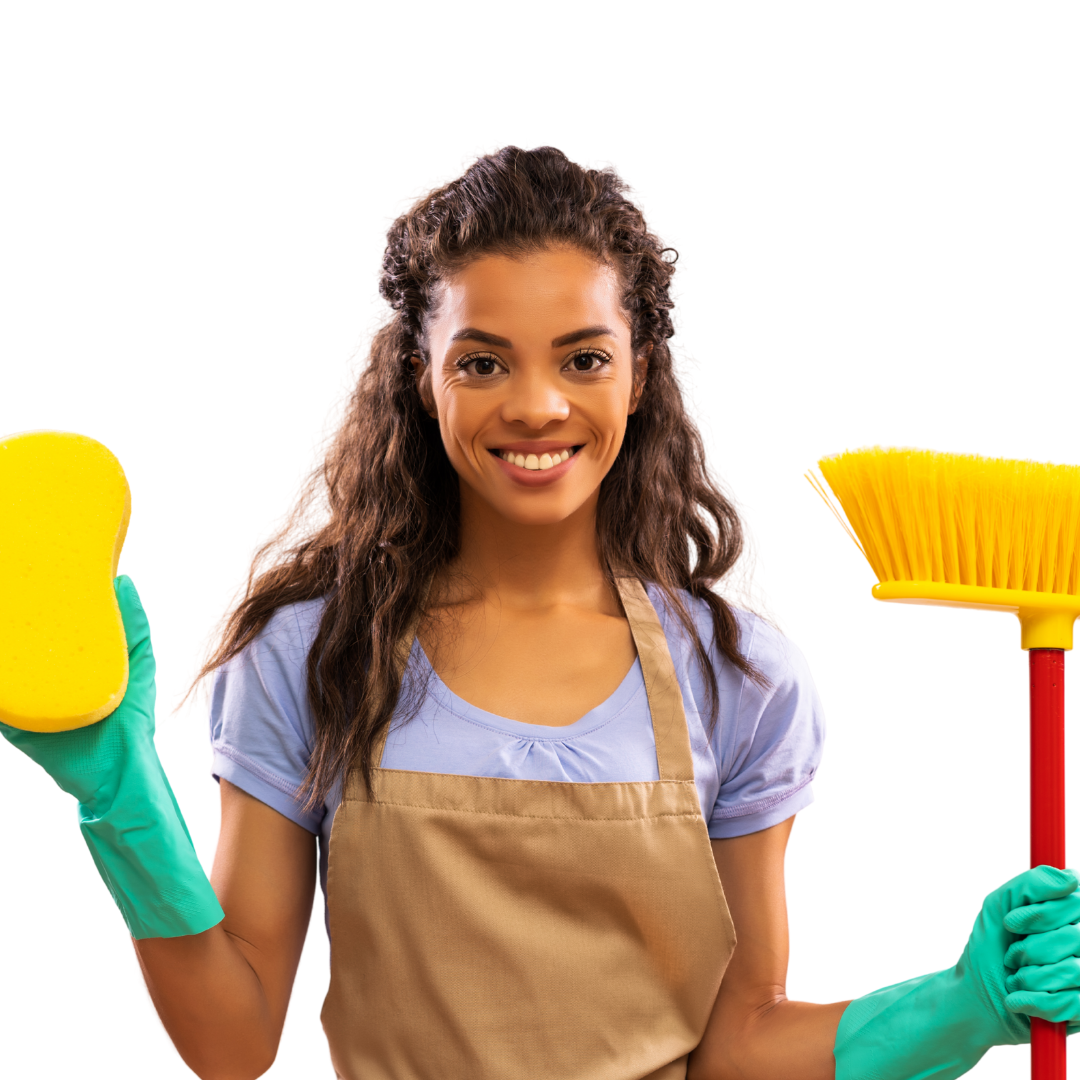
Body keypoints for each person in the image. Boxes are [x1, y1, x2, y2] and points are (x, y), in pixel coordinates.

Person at [5, 146, 1080, 1080]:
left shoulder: (738, 679)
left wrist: (963, 1005)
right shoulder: (317, 655)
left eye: (583, 358)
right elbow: (233, 1039)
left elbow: (741, 1049)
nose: (535, 404)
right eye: (482, 362)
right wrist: (121, 792)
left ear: (640, 376)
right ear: (420, 379)